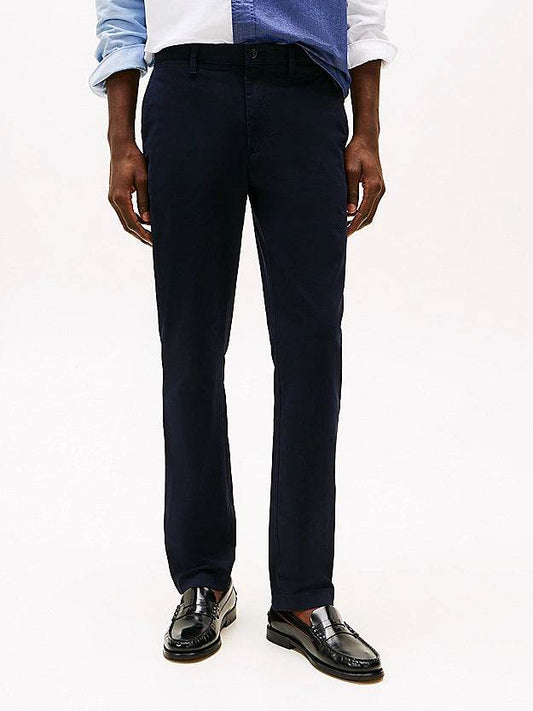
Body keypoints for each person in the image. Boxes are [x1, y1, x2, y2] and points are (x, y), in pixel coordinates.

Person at [90, 0, 396, 682]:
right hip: (187, 94)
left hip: (305, 94)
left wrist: (368, 130)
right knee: (191, 350)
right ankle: (203, 580)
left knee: (311, 351)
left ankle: (303, 595)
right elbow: (121, 12)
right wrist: (119, 139)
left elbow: (362, 11)